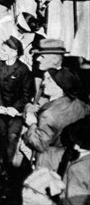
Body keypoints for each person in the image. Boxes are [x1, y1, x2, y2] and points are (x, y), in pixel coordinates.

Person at [22, 39, 90, 170]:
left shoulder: (68, 81)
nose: (37, 59)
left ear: (54, 60)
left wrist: (33, 123)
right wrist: (30, 108)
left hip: (50, 156)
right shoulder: (45, 78)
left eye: (42, 56)